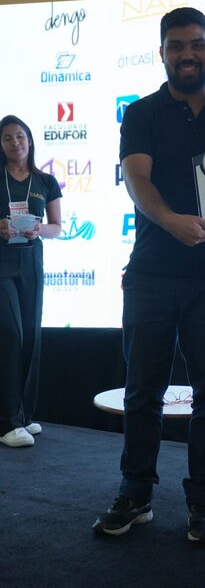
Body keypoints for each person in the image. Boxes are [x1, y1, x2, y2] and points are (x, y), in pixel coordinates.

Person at [93, 7, 205, 542]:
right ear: (162, 53)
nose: (187, 54)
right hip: (152, 272)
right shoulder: (142, 112)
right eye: (176, 46)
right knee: (142, 392)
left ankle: (204, 502)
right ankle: (136, 494)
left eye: (197, 44)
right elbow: (137, 179)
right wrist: (172, 221)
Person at [0, 115, 62, 448]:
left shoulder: (45, 180)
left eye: (20, 136)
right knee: (11, 334)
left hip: (31, 262)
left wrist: (39, 230)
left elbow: (56, 227)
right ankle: (7, 421)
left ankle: (23, 415)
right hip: (2, 262)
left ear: (30, 140)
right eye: (8, 138)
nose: (15, 143)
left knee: (30, 337)